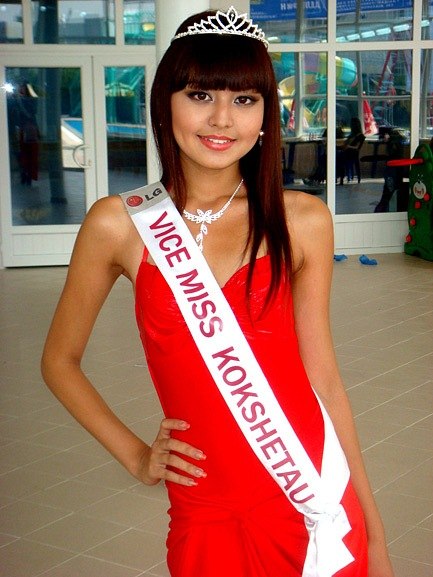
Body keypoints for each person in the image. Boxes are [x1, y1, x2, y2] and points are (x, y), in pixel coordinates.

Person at [41, 7, 395, 577]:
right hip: (203, 505)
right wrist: (136, 456)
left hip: (310, 493)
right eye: (201, 95)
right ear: (165, 103)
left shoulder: (302, 220)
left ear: (266, 114)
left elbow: (323, 378)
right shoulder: (119, 224)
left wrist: (374, 537)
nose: (222, 119)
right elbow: (59, 361)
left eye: (245, 99)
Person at [339, 117, 365, 185]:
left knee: (339, 157)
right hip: (347, 152)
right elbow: (345, 144)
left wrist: (348, 146)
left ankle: (340, 177)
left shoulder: (360, 136)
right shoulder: (351, 135)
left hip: (352, 154)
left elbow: (357, 147)